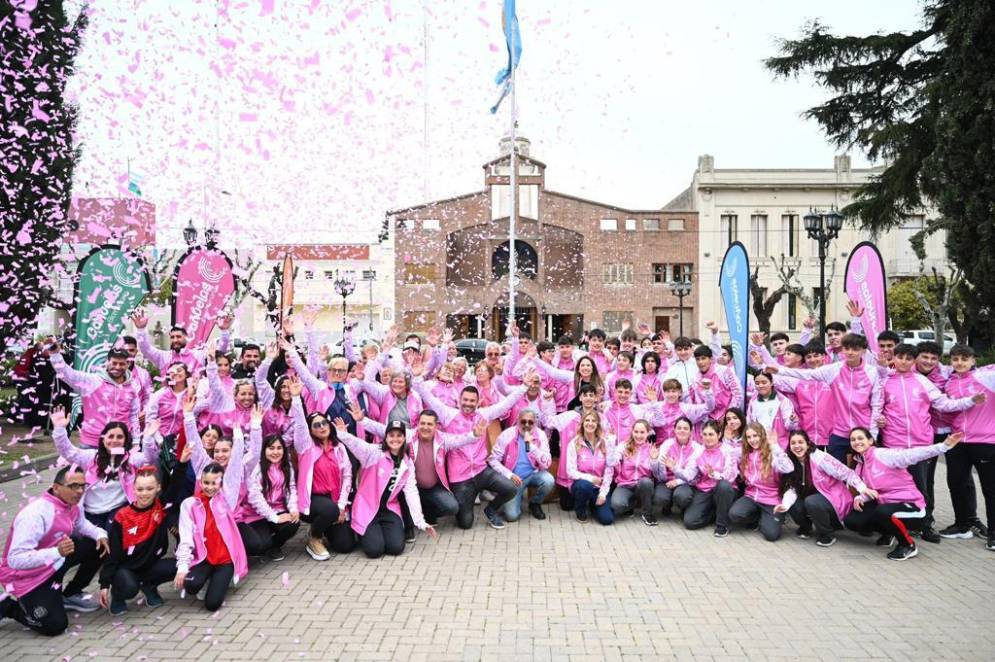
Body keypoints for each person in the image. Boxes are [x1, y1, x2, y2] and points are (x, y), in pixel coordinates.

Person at [877, 343, 982, 543]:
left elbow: (943, 403)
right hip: (894, 444)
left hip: (921, 445)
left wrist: (969, 401)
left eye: (909, 358)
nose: (904, 362)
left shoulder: (922, 382)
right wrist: (879, 419)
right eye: (901, 357)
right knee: (893, 488)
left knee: (922, 487)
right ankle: (891, 530)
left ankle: (924, 526)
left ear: (913, 361)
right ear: (895, 358)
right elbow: (875, 407)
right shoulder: (885, 381)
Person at [0, 465, 110, 634]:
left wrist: (99, 534)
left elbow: (80, 524)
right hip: (27, 576)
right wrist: (56, 552)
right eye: (74, 486)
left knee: (98, 546)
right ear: (56, 487)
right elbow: (15, 559)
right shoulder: (35, 514)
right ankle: (7, 606)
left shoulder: (71, 503)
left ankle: (70, 594)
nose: (80, 491)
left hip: (55, 562)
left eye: (83, 486)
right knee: (54, 626)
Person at [413, 375, 528, 530]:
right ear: (460, 400)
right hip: (461, 478)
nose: (468, 403)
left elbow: (506, 404)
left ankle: (490, 509)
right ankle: (465, 502)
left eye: (472, 400)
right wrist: (417, 377)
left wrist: (524, 386)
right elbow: (428, 396)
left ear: (478, 401)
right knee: (465, 523)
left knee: (510, 488)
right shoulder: (448, 414)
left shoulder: (484, 414)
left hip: (482, 471)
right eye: (465, 400)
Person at [843, 427, 963, 561]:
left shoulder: (883, 455)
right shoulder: (860, 462)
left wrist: (943, 446)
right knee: (852, 520)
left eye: (860, 438)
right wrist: (860, 497)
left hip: (913, 507)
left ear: (870, 441)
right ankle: (889, 533)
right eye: (853, 439)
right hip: (887, 504)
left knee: (884, 511)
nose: (856, 442)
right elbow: (872, 489)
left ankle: (908, 545)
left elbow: (913, 454)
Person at [764, 333, 883, 463]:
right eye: (847, 348)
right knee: (836, 472)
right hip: (839, 432)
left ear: (863, 350)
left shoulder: (872, 372)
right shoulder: (834, 369)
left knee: (863, 471)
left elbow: (877, 404)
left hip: (863, 429)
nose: (850, 352)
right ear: (842, 349)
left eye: (855, 349)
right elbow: (807, 374)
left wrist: (873, 433)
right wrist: (779, 370)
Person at [333, 419, 439, 558]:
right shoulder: (373, 453)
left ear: (404, 438)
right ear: (386, 437)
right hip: (367, 508)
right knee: (374, 551)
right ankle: (364, 532)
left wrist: (420, 522)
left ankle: (378, 532)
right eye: (391, 435)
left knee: (396, 548)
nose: (395, 439)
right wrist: (342, 434)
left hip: (389, 509)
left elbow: (411, 492)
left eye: (399, 435)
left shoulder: (407, 463)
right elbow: (356, 444)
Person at [51, 407, 160, 532]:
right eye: (110, 436)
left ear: (125, 441)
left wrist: (147, 438)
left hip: (117, 511)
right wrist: (59, 430)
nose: (114, 440)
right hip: (90, 512)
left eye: (119, 437)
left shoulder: (131, 459)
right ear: (103, 439)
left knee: (112, 534)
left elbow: (149, 457)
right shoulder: (91, 457)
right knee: (89, 544)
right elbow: (68, 452)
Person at [288, 378, 355, 561]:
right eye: (316, 425)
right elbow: (300, 425)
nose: (322, 427)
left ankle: (324, 527)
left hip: (334, 501)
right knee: (329, 510)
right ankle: (314, 537)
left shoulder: (339, 447)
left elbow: (348, 477)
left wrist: (341, 507)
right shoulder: (306, 447)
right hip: (314, 501)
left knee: (345, 545)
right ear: (310, 430)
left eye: (324, 422)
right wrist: (295, 398)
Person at [96, 466, 176, 615]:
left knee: (179, 566)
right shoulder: (122, 516)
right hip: (126, 568)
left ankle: (149, 585)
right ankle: (118, 595)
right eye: (140, 489)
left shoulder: (160, 508)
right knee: (129, 588)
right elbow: (112, 554)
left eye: (149, 488)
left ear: (158, 488)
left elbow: (176, 484)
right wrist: (104, 584)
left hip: (149, 565)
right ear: (133, 489)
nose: (144, 493)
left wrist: (182, 463)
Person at [173, 457, 249, 611]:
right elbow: (186, 538)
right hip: (204, 558)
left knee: (212, 604)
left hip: (225, 560)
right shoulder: (189, 504)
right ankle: (207, 578)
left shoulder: (228, 500)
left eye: (214, 483)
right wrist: (182, 568)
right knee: (191, 586)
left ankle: (221, 578)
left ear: (221, 484)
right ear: (200, 482)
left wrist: (238, 434)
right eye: (206, 483)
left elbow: (235, 468)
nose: (209, 487)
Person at [939, 344, 995, 549]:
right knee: (957, 483)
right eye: (955, 359)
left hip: (985, 441)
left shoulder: (985, 376)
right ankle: (962, 526)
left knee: (990, 489)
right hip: (958, 441)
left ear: (973, 360)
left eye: (965, 359)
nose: (960, 363)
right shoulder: (950, 382)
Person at [776, 430, 874, 547]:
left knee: (811, 501)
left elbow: (847, 473)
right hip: (813, 500)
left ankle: (827, 534)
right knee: (793, 503)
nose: (797, 446)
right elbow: (791, 489)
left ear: (808, 443)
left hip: (832, 500)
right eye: (793, 443)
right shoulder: (791, 462)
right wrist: (785, 505)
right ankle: (805, 526)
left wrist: (862, 488)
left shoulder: (820, 457)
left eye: (800, 442)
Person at [47, 343, 140, 448]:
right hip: (93, 444)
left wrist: (136, 442)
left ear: (128, 364)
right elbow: (68, 374)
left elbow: (133, 416)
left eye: (121, 364)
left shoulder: (133, 386)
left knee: (117, 465)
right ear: (107, 362)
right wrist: (55, 355)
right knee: (92, 465)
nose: (117, 367)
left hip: (120, 443)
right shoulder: (92, 381)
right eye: (114, 363)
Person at [537, 384, 608, 510]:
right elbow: (547, 421)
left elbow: (607, 441)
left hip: (593, 473)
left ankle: (590, 499)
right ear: (580, 398)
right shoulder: (568, 416)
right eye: (585, 395)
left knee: (591, 501)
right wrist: (544, 401)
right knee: (567, 506)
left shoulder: (601, 419)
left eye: (591, 395)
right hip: (568, 472)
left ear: (596, 398)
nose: (588, 398)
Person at [667, 420, 738, 536]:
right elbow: (690, 476)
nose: (707, 438)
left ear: (719, 435)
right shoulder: (698, 451)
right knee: (690, 522)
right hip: (704, 489)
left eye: (711, 434)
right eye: (705, 434)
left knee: (723, 486)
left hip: (723, 490)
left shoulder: (728, 450)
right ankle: (714, 514)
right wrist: (675, 469)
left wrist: (714, 474)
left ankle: (722, 525)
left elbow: (731, 476)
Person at [727, 424, 793, 541]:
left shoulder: (772, 453)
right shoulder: (746, 453)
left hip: (771, 499)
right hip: (751, 497)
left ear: (762, 435)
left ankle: (770, 519)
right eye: (749, 437)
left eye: (755, 436)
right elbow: (728, 452)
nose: (752, 440)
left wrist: (775, 446)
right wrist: (727, 440)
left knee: (771, 535)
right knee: (734, 514)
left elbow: (788, 468)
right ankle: (757, 518)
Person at [488, 410, 555, 522]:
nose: (527, 425)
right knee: (512, 516)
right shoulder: (507, 435)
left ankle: (535, 503)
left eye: (530, 422)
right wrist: (510, 475)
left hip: (533, 474)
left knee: (549, 480)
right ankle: (509, 497)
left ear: (535, 423)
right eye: (523, 421)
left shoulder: (540, 435)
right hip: (514, 479)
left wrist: (531, 446)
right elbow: (493, 460)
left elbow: (547, 463)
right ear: (518, 421)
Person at [130, 308, 232, 375]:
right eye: (172, 337)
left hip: (194, 402)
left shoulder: (199, 355)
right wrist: (141, 330)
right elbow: (145, 349)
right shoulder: (163, 357)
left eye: (178, 337)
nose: (175, 340)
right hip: (170, 404)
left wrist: (224, 331)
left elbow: (219, 353)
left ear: (186, 338)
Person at [610, 420, 665, 526]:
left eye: (642, 432)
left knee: (646, 482)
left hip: (643, 485)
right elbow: (613, 461)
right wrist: (611, 442)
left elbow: (657, 474)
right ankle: (632, 503)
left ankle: (647, 513)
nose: (638, 435)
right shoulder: (623, 446)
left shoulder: (651, 449)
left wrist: (654, 460)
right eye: (636, 432)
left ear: (647, 433)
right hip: (625, 485)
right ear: (632, 432)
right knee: (617, 505)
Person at [565, 411, 616, 524]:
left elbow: (609, 471)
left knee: (607, 519)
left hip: (599, 487)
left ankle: (594, 505)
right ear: (582, 423)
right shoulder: (574, 443)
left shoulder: (605, 443)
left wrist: (602, 494)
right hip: (581, 484)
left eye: (594, 421)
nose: (590, 423)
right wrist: (590, 478)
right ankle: (580, 510)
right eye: (587, 420)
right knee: (584, 486)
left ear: (598, 424)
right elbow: (570, 471)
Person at [653, 417, 701, 518]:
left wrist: (677, 480)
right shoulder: (667, 444)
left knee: (682, 496)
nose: (682, 430)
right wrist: (654, 461)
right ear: (674, 430)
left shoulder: (697, 448)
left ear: (691, 430)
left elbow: (690, 475)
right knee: (660, 498)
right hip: (667, 480)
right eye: (679, 428)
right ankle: (667, 504)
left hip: (685, 482)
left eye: (685, 428)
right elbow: (659, 468)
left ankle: (683, 507)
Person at [745, 372, 797, 449]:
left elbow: (789, 427)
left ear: (771, 382)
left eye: (764, 382)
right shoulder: (753, 401)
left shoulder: (783, 401)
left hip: (779, 446)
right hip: (759, 445)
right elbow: (749, 422)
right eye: (757, 383)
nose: (760, 386)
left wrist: (792, 420)